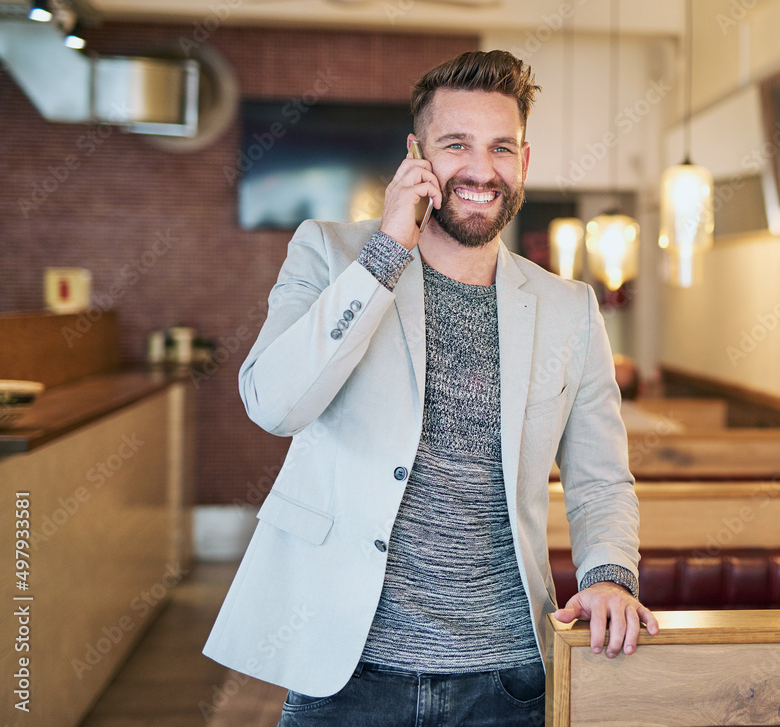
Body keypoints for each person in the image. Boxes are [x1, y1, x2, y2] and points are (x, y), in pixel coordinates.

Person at [203, 50, 658, 726]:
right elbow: (274, 403)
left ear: (524, 163)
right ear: (417, 155)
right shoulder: (329, 252)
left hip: (508, 679)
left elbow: (600, 480)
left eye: (500, 147)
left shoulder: (570, 309)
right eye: (456, 145)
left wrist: (610, 574)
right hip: (347, 671)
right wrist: (387, 250)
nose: (481, 169)